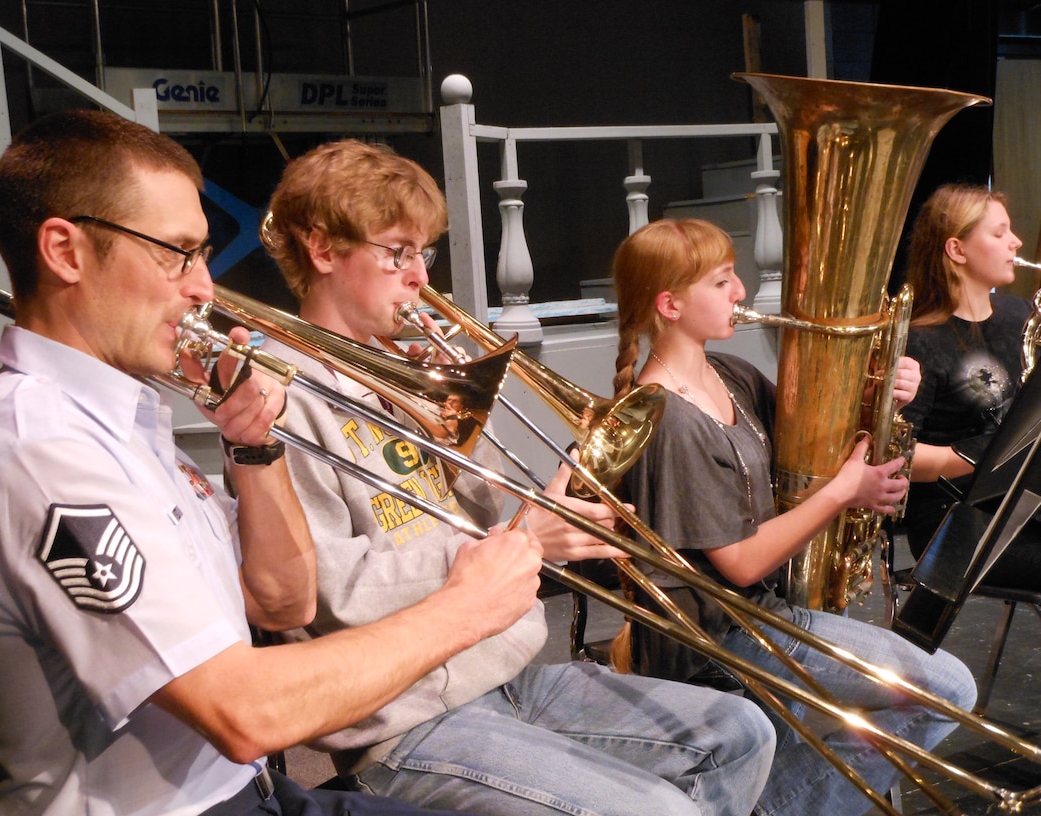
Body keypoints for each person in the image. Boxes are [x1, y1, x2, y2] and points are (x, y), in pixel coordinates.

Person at [0, 110, 549, 816]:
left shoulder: (121, 421)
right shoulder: (39, 450)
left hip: (257, 792)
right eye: (177, 252)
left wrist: (255, 446)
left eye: (202, 254)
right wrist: (465, 607)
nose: (204, 288)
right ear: (65, 251)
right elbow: (245, 715)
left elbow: (281, 601)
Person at [259, 138, 777, 816]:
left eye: (424, 253)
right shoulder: (279, 394)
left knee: (738, 732)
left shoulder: (413, 375)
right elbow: (333, 588)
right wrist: (511, 542)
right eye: (397, 252)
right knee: (657, 809)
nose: (420, 277)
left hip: (504, 674)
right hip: (403, 720)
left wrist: (472, 433)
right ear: (324, 251)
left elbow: (500, 509)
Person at [608, 217, 978, 816]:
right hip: (718, 641)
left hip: (761, 617)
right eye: (723, 282)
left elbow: (822, 438)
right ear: (670, 303)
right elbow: (742, 561)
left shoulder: (727, 375)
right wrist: (842, 494)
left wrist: (887, 391)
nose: (741, 294)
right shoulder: (668, 417)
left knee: (922, 697)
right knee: (947, 691)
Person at [899, 183, 1041, 588]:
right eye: (999, 234)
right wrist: (988, 456)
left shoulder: (1020, 316)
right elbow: (895, 454)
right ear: (957, 250)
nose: (1015, 242)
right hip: (955, 518)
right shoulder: (920, 340)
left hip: (1019, 501)